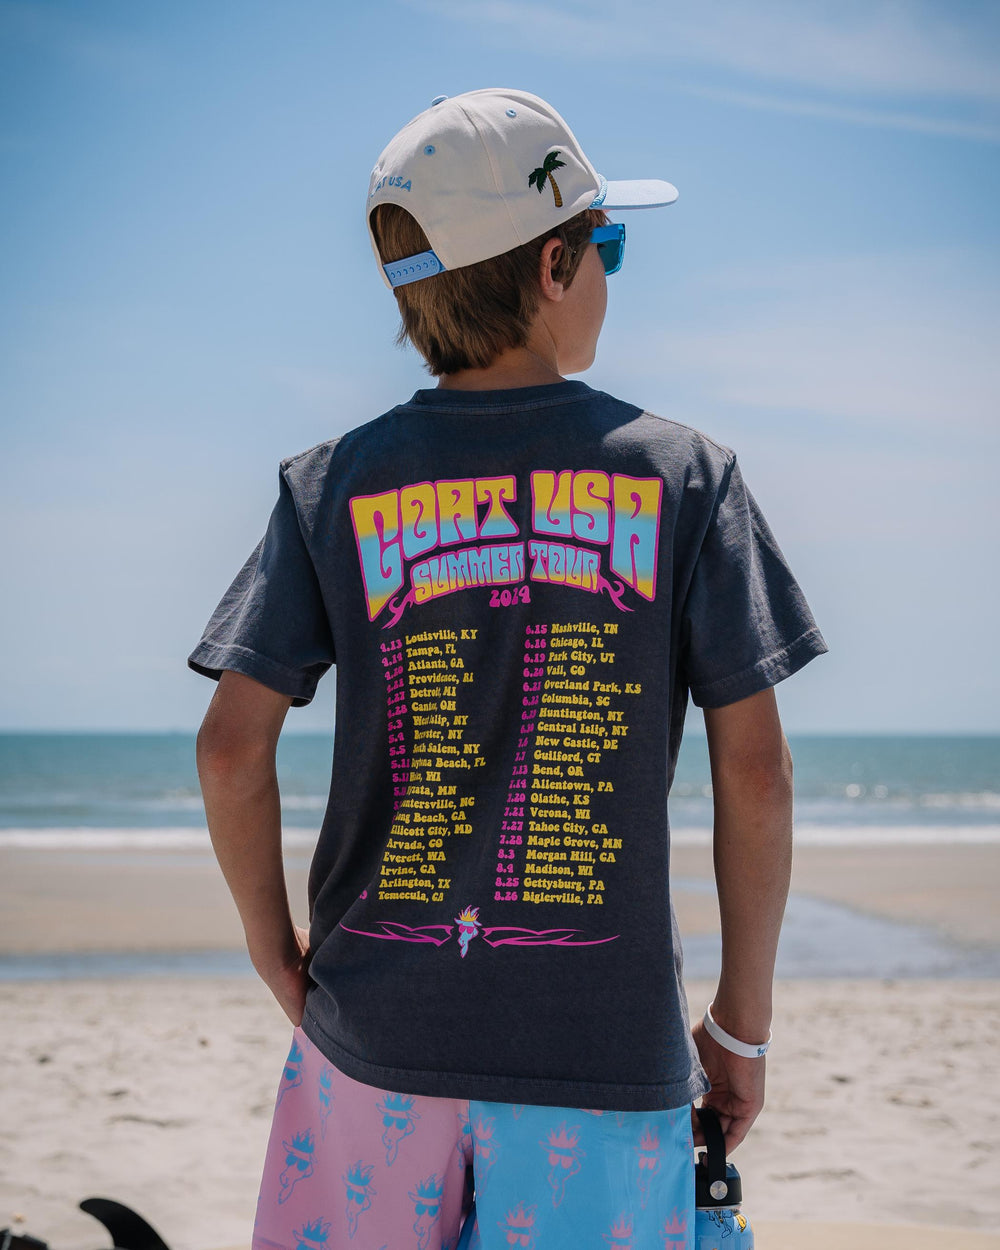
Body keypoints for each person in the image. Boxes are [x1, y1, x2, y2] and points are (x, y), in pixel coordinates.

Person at [188, 88, 828, 1250]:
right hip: (600, 1059)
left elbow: (230, 747)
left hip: (370, 1044)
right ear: (550, 268)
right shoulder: (685, 479)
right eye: (607, 250)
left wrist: (273, 949)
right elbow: (759, 772)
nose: (606, 277)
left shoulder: (333, 484)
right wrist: (739, 1027)